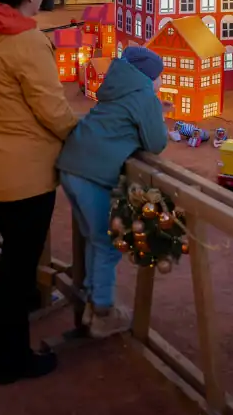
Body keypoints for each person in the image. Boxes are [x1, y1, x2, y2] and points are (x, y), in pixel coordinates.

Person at [0, 0, 78, 384]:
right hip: (24, 173)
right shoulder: (26, 42)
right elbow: (51, 107)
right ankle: (2, 359)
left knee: (14, 266)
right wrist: (78, 132)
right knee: (16, 270)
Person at [57, 45, 168, 336]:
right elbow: (156, 143)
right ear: (148, 77)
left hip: (71, 166)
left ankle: (93, 304)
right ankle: (103, 313)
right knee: (106, 244)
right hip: (92, 175)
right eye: (159, 76)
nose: (161, 82)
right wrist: (155, 113)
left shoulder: (115, 86)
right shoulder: (145, 96)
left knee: (94, 240)